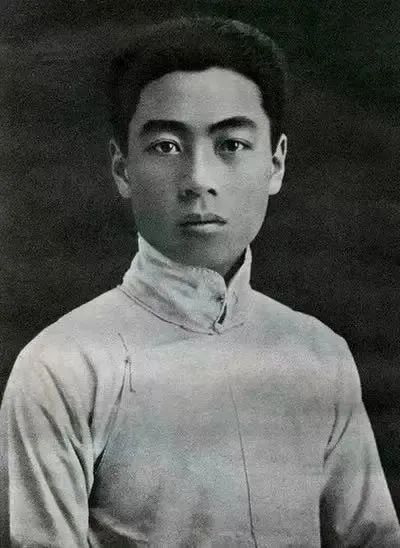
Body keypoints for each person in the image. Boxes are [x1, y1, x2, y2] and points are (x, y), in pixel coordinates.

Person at [0, 16, 399, 547]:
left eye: (231, 144)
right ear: (122, 168)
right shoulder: (63, 367)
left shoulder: (320, 355)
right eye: (166, 146)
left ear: (276, 163)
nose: (198, 180)